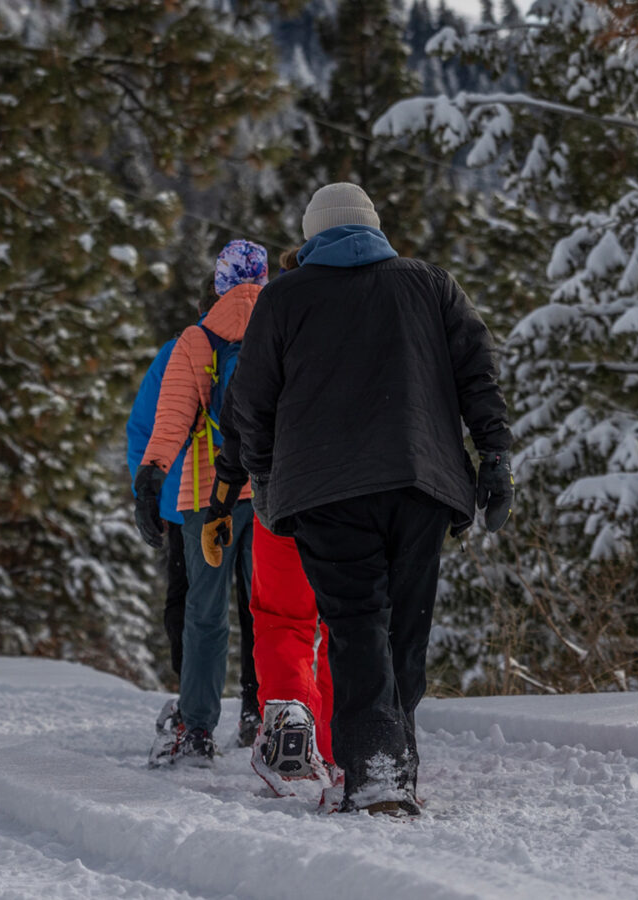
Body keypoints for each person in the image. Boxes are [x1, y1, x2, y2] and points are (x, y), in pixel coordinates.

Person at [230, 184, 513, 816]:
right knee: (405, 630)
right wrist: (494, 458)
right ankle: (395, 764)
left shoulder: (285, 297)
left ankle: (376, 772)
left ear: (312, 236)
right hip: (422, 483)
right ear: (373, 227)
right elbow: (478, 375)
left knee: (358, 628)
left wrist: (267, 477)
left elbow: (251, 404)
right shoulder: (431, 285)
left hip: (326, 491)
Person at [203, 249, 337, 799]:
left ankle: (287, 715)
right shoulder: (358, 323)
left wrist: (221, 496)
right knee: (345, 621)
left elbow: (240, 416)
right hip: (350, 494)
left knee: (282, 616)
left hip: (278, 494)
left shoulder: (271, 322)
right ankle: (336, 743)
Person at [134, 239, 267, 765]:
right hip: (271, 493)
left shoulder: (198, 338)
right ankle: (269, 717)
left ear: (219, 283)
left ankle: (196, 731)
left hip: (207, 494)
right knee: (273, 612)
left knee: (205, 614)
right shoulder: (284, 325)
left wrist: (151, 476)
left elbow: (172, 418)